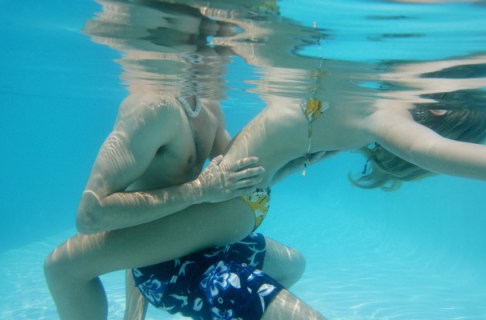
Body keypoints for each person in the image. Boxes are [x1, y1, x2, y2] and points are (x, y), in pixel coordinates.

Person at [46, 2, 486, 320]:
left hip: (222, 215)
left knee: (66, 268)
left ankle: (196, 288)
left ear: (442, 104)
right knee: (70, 266)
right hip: (234, 210)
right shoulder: (365, 93)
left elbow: (446, 156)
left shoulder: (383, 113)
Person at [45, 1, 321, 320]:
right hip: (165, 266)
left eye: (228, 45)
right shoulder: (153, 110)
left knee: (293, 264)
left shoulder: (209, 109)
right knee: (60, 268)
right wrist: (200, 189)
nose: (229, 55)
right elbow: (90, 215)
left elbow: (246, 179)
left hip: (195, 240)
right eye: (213, 44)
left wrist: (308, 153)